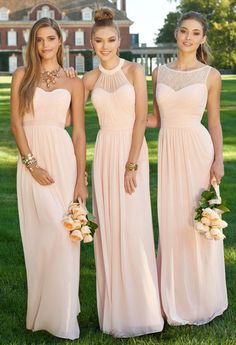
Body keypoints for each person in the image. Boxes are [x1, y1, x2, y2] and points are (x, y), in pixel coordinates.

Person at [82, 8, 163, 338]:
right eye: (99, 41)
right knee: (110, 230)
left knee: (133, 226)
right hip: (104, 154)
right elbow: (60, 105)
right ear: (91, 43)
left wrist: (131, 164)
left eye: (112, 40)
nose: (106, 46)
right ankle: (115, 314)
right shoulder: (87, 79)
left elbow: (141, 118)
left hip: (132, 149)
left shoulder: (133, 71)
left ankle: (143, 310)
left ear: (119, 40)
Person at [147, 11, 228, 325]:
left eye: (196, 33)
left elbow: (215, 122)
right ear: (176, 33)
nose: (188, 38)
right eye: (184, 31)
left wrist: (218, 159)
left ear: (203, 38)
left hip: (197, 150)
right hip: (169, 152)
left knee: (197, 222)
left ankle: (202, 297)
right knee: (171, 222)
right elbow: (154, 119)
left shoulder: (211, 75)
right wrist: (119, 119)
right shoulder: (159, 74)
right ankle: (171, 297)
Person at [10, 17, 87, 339]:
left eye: (50, 39)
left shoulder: (74, 81)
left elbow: (79, 131)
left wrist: (81, 178)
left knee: (64, 236)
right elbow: (16, 122)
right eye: (39, 40)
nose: (44, 45)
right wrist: (31, 163)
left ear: (60, 40)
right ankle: (42, 313)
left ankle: (64, 314)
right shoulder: (22, 75)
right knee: (41, 240)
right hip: (33, 161)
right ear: (33, 43)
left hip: (63, 158)